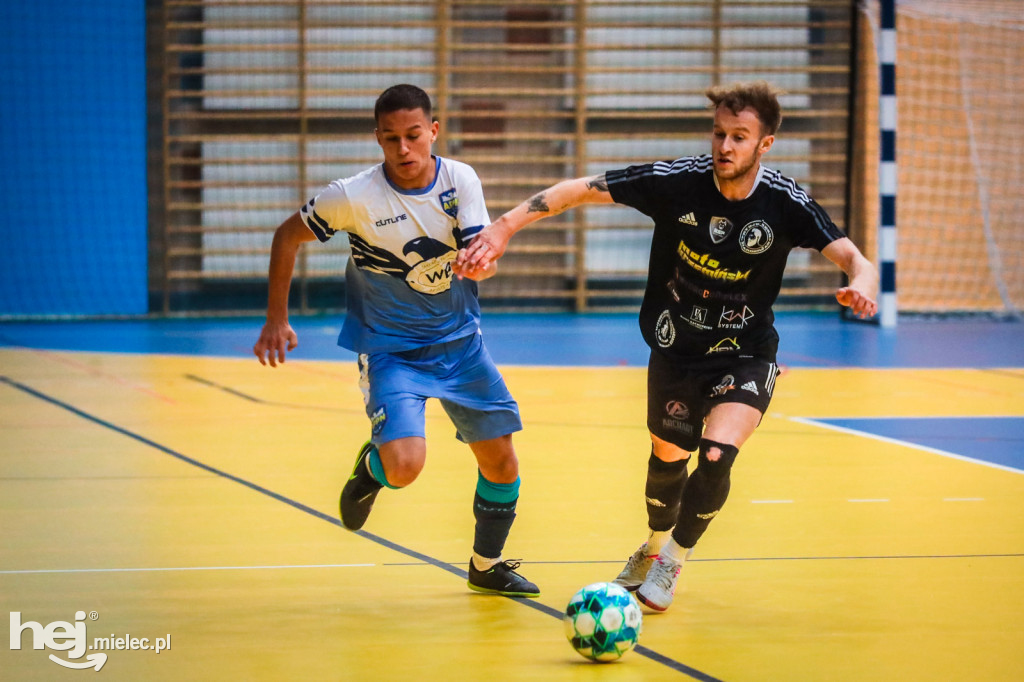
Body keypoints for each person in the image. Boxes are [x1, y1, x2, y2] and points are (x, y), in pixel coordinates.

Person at [456, 81, 877, 611]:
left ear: (764, 145)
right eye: (719, 133)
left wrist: (860, 283)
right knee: (666, 464)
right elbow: (580, 188)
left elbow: (855, 258)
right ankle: (654, 544)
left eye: (739, 137)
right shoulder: (677, 182)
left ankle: (674, 558)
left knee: (718, 455)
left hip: (746, 352)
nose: (724, 146)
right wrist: (504, 227)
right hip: (676, 348)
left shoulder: (786, 202)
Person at [253, 84, 539, 598]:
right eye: (391, 139)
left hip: (460, 345)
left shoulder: (460, 179)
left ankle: (486, 565)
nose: (404, 149)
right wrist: (277, 318)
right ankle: (371, 468)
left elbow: (482, 252)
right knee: (404, 468)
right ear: (378, 140)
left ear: (433, 131)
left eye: (413, 136)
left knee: (502, 461)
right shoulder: (352, 196)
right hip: (390, 349)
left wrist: (485, 262)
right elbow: (285, 236)